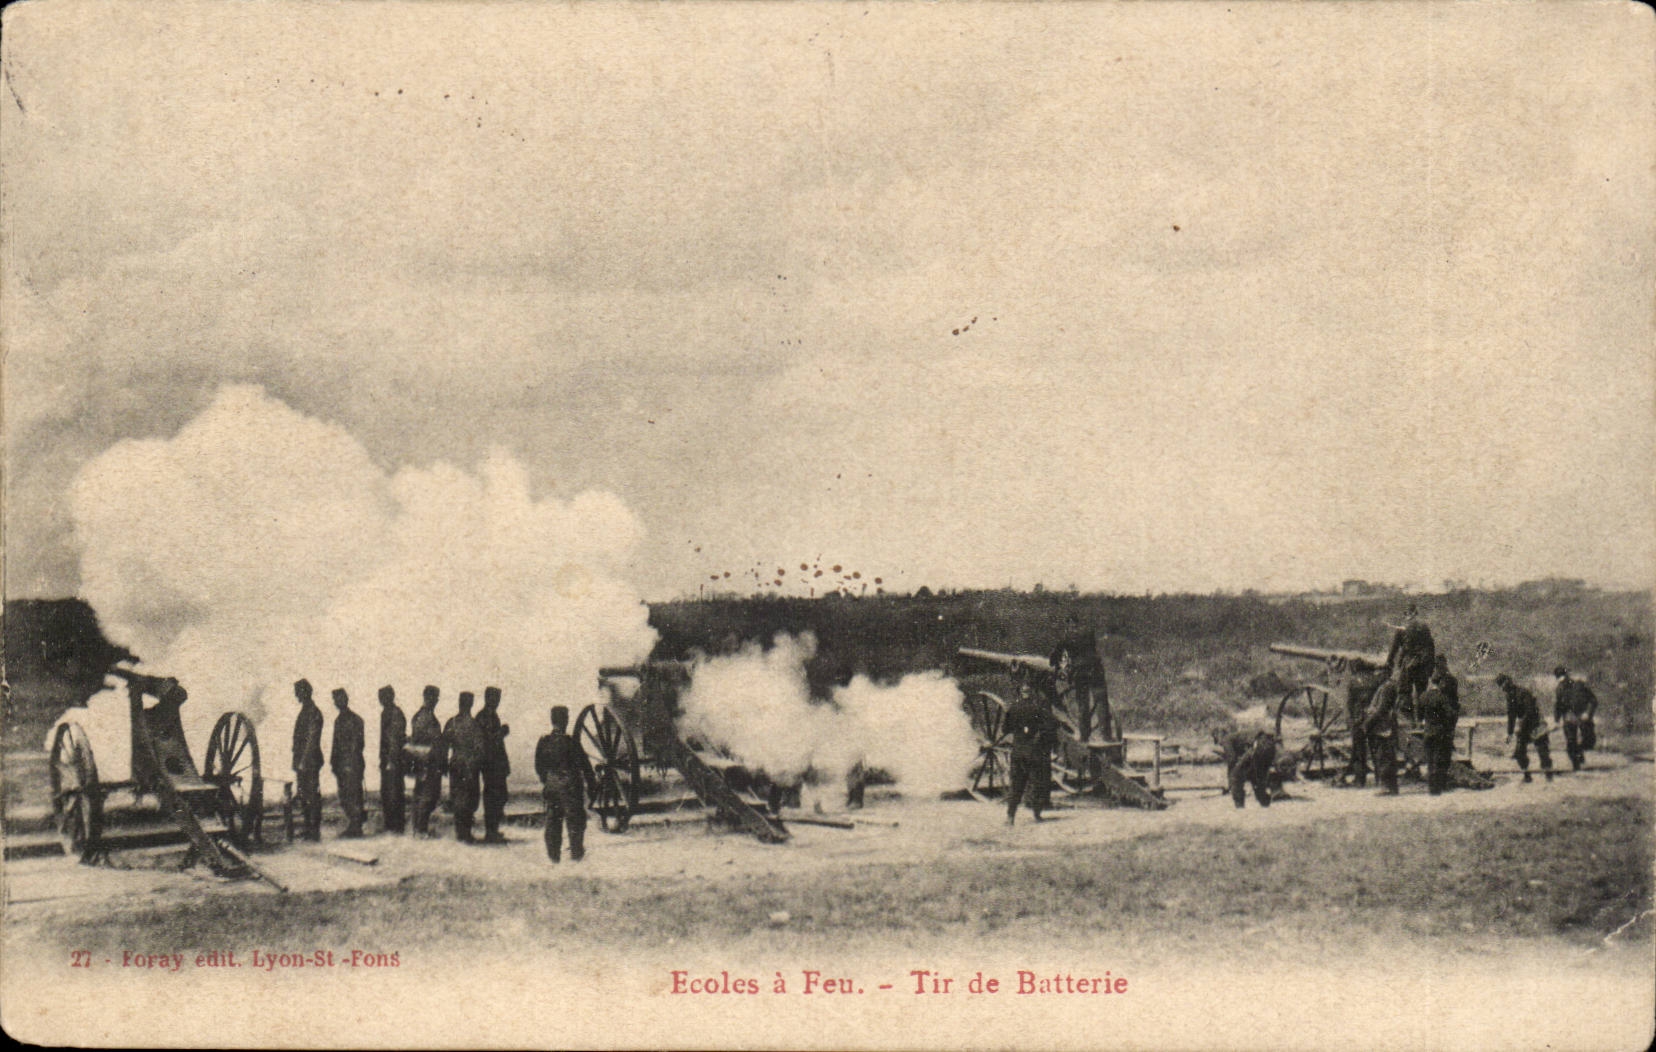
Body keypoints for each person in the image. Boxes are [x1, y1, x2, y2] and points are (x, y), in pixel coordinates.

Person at [535, 705, 597, 863]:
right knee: (575, 820)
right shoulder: (571, 743)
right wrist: (592, 786)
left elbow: (539, 766)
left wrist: (548, 780)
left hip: (552, 786)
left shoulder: (544, 741)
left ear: (552, 720)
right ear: (565, 720)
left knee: (553, 820)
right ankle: (576, 855)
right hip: (570, 787)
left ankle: (553, 856)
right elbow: (586, 766)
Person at [1049, 615, 1109, 743]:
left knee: (1083, 705)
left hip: (1081, 672)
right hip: (1097, 669)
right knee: (1101, 703)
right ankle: (1107, 736)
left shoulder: (1067, 638)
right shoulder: (1088, 632)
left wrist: (1057, 665)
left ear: (1069, 625)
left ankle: (1084, 736)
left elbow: (1054, 659)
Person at [1003, 683, 1054, 825]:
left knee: (1016, 785)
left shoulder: (1013, 708)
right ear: (1031, 693)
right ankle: (1037, 815)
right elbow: (1051, 724)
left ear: (1020, 693)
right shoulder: (1037, 708)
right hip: (1034, 752)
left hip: (1018, 752)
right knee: (1036, 783)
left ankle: (1010, 817)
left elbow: (1005, 729)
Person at [1498, 673, 1553, 784]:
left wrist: (1521, 727)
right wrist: (1510, 733)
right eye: (1501, 685)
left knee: (1543, 752)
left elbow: (1530, 711)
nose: (1504, 686)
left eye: (1504, 683)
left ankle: (1549, 776)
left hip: (1536, 724)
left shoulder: (1523, 692)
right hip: (1524, 727)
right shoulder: (1509, 697)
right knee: (1519, 753)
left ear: (1509, 681)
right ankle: (1527, 776)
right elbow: (1511, 716)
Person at [1385, 603, 1435, 721]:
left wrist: (1389, 662)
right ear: (1415, 613)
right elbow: (1431, 647)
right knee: (1421, 693)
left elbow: (1394, 648)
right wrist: (1430, 667)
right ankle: (1421, 721)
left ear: (1407, 614)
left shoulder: (1402, 628)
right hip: (1422, 665)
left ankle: (1410, 720)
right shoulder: (1424, 627)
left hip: (1408, 664)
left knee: (1404, 693)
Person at [445, 691, 484, 843]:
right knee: (470, 800)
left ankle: (460, 833)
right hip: (469, 766)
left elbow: (444, 744)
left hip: (455, 765)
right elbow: (480, 749)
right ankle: (465, 834)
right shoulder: (474, 725)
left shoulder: (451, 722)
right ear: (471, 704)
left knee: (458, 798)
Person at [476, 686, 511, 843]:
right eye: (495, 698)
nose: (497, 702)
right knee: (493, 797)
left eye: (498, 698)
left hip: (496, 764)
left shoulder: (491, 715)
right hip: (490, 764)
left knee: (500, 796)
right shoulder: (483, 717)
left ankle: (493, 830)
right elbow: (486, 741)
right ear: (488, 698)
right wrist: (501, 733)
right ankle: (491, 832)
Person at [409, 685, 445, 837]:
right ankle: (420, 830)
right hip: (427, 762)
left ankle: (418, 829)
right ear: (427, 697)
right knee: (428, 795)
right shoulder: (425, 716)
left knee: (422, 794)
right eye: (434, 697)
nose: (436, 700)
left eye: (437, 697)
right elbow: (426, 741)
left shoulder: (422, 715)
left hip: (424, 762)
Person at [291, 679, 324, 841]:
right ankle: (308, 827)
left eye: (298, 691)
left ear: (305, 692)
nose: (296, 694)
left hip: (309, 762)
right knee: (304, 795)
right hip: (302, 762)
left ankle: (314, 831)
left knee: (311, 795)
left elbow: (312, 739)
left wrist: (303, 761)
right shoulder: (306, 710)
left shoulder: (313, 712)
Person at [330, 689, 366, 837]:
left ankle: (356, 827)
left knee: (353, 795)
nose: (337, 702)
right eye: (335, 700)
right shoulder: (338, 720)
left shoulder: (356, 720)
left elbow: (358, 744)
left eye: (339, 699)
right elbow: (335, 744)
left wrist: (349, 763)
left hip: (352, 764)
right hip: (341, 765)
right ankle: (353, 824)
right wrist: (333, 762)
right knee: (344, 795)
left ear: (346, 699)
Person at [1212, 726, 1277, 808]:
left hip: (1259, 746)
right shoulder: (1237, 737)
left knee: (1235, 776)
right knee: (1256, 777)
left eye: (1217, 740)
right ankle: (1265, 803)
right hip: (1270, 746)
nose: (1219, 743)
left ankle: (1240, 807)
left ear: (1219, 735)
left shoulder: (1227, 739)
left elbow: (1232, 760)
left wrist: (1230, 782)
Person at [1364, 669, 1402, 795]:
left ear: (1385, 674)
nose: (1377, 676)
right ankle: (1391, 786)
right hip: (1383, 725)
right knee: (1386, 756)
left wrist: (1368, 723)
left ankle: (1387, 786)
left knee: (1384, 756)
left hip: (1383, 726)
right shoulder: (1388, 686)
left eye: (1379, 673)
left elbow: (1382, 709)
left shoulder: (1387, 688)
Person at [1553, 666, 1598, 772]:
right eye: (1559, 678)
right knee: (1571, 741)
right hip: (1569, 717)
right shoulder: (1559, 689)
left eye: (1563, 677)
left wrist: (1588, 713)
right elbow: (1558, 705)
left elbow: (1593, 700)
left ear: (1567, 675)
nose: (1562, 680)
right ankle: (1576, 764)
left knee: (1589, 741)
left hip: (1583, 716)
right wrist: (1556, 719)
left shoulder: (1579, 685)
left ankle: (1579, 752)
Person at [1418, 678, 1458, 796]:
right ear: (1440, 683)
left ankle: (1431, 788)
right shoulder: (1442, 696)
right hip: (1440, 732)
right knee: (1439, 760)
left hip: (1428, 731)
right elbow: (1450, 714)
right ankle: (1438, 787)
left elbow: (1419, 715)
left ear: (1430, 682)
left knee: (1430, 761)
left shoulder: (1423, 696)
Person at [378, 686, 407, 835]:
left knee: (394, 794)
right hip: (387, 761)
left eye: (383, 696)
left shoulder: (395, 713)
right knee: (388, 794)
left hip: (393, 762)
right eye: (380, 696)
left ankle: (396, 827)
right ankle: (391, 826)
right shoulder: (386, 712)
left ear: (391, 696)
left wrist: (391, 760)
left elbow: (395, 739)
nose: (381, 699)